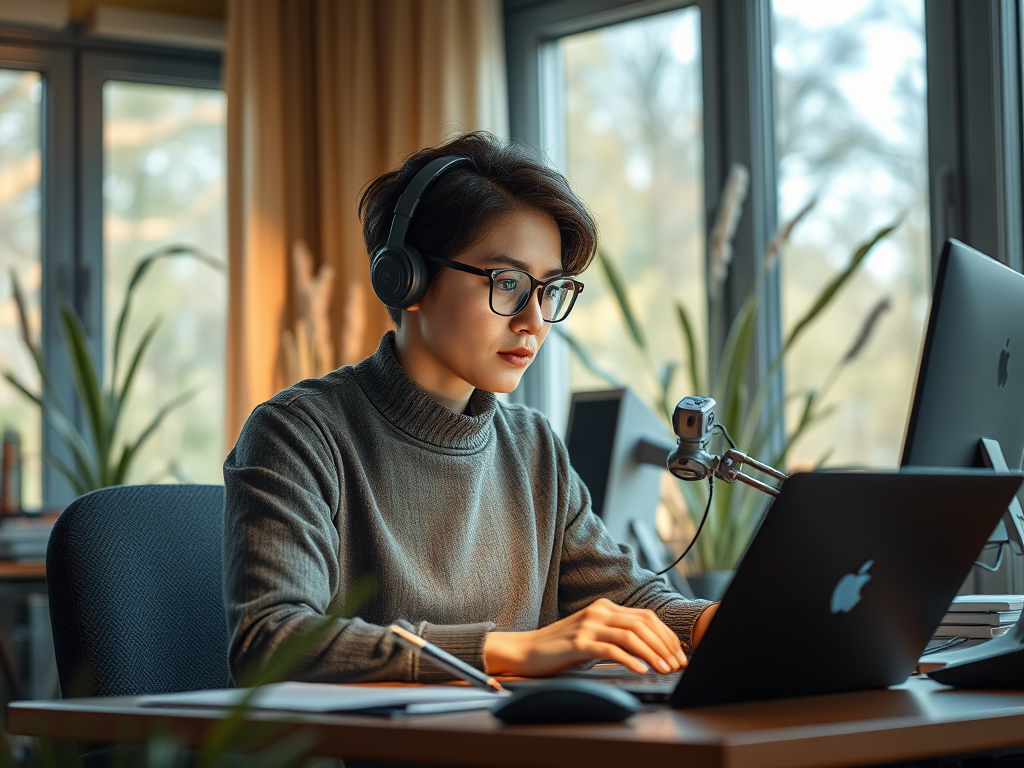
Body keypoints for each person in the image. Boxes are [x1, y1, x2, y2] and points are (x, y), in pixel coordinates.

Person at [223, 131, 718, 685]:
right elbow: (271, 642)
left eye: (550, 291)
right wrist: (509, 651)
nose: (533, 320)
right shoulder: (298, 433)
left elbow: (628, 599)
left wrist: (721, 623)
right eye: (508, 283)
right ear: (406, 276)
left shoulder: (532, 448)